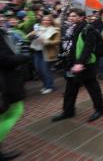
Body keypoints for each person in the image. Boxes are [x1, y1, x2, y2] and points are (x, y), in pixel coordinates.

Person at [51, 8, 103, 123]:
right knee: (70, 90)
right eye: (70, 16)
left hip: (86, 65)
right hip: (73, 64)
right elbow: (71, 47)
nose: (71, 18)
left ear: (81, 17)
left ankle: (100, 109)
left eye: (74, 16)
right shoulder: (72, 29)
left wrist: (80, 63)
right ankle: (68, 111)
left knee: (93, 89)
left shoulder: (87, 29)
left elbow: (87, 48)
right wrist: (65, 57)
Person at [0, 28, 31, 160]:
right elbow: (4, 59)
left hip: (6, 79)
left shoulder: (4, 32)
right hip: (5, 80)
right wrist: (24, 56)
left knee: (3, 114)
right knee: (16, 110)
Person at [27, 15, 60, 94]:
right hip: (37, 51)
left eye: (48, 20)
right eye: (44, 20)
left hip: (47, 52)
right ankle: (45, 85)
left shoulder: (55, 30)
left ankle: (50, 86)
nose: (45, 21)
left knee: (45, 70)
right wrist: (31, 35)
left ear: (51, 21)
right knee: (38, 70)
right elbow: (27, 37)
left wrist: (46, 41)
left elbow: (57, 41)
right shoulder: (37, 28)